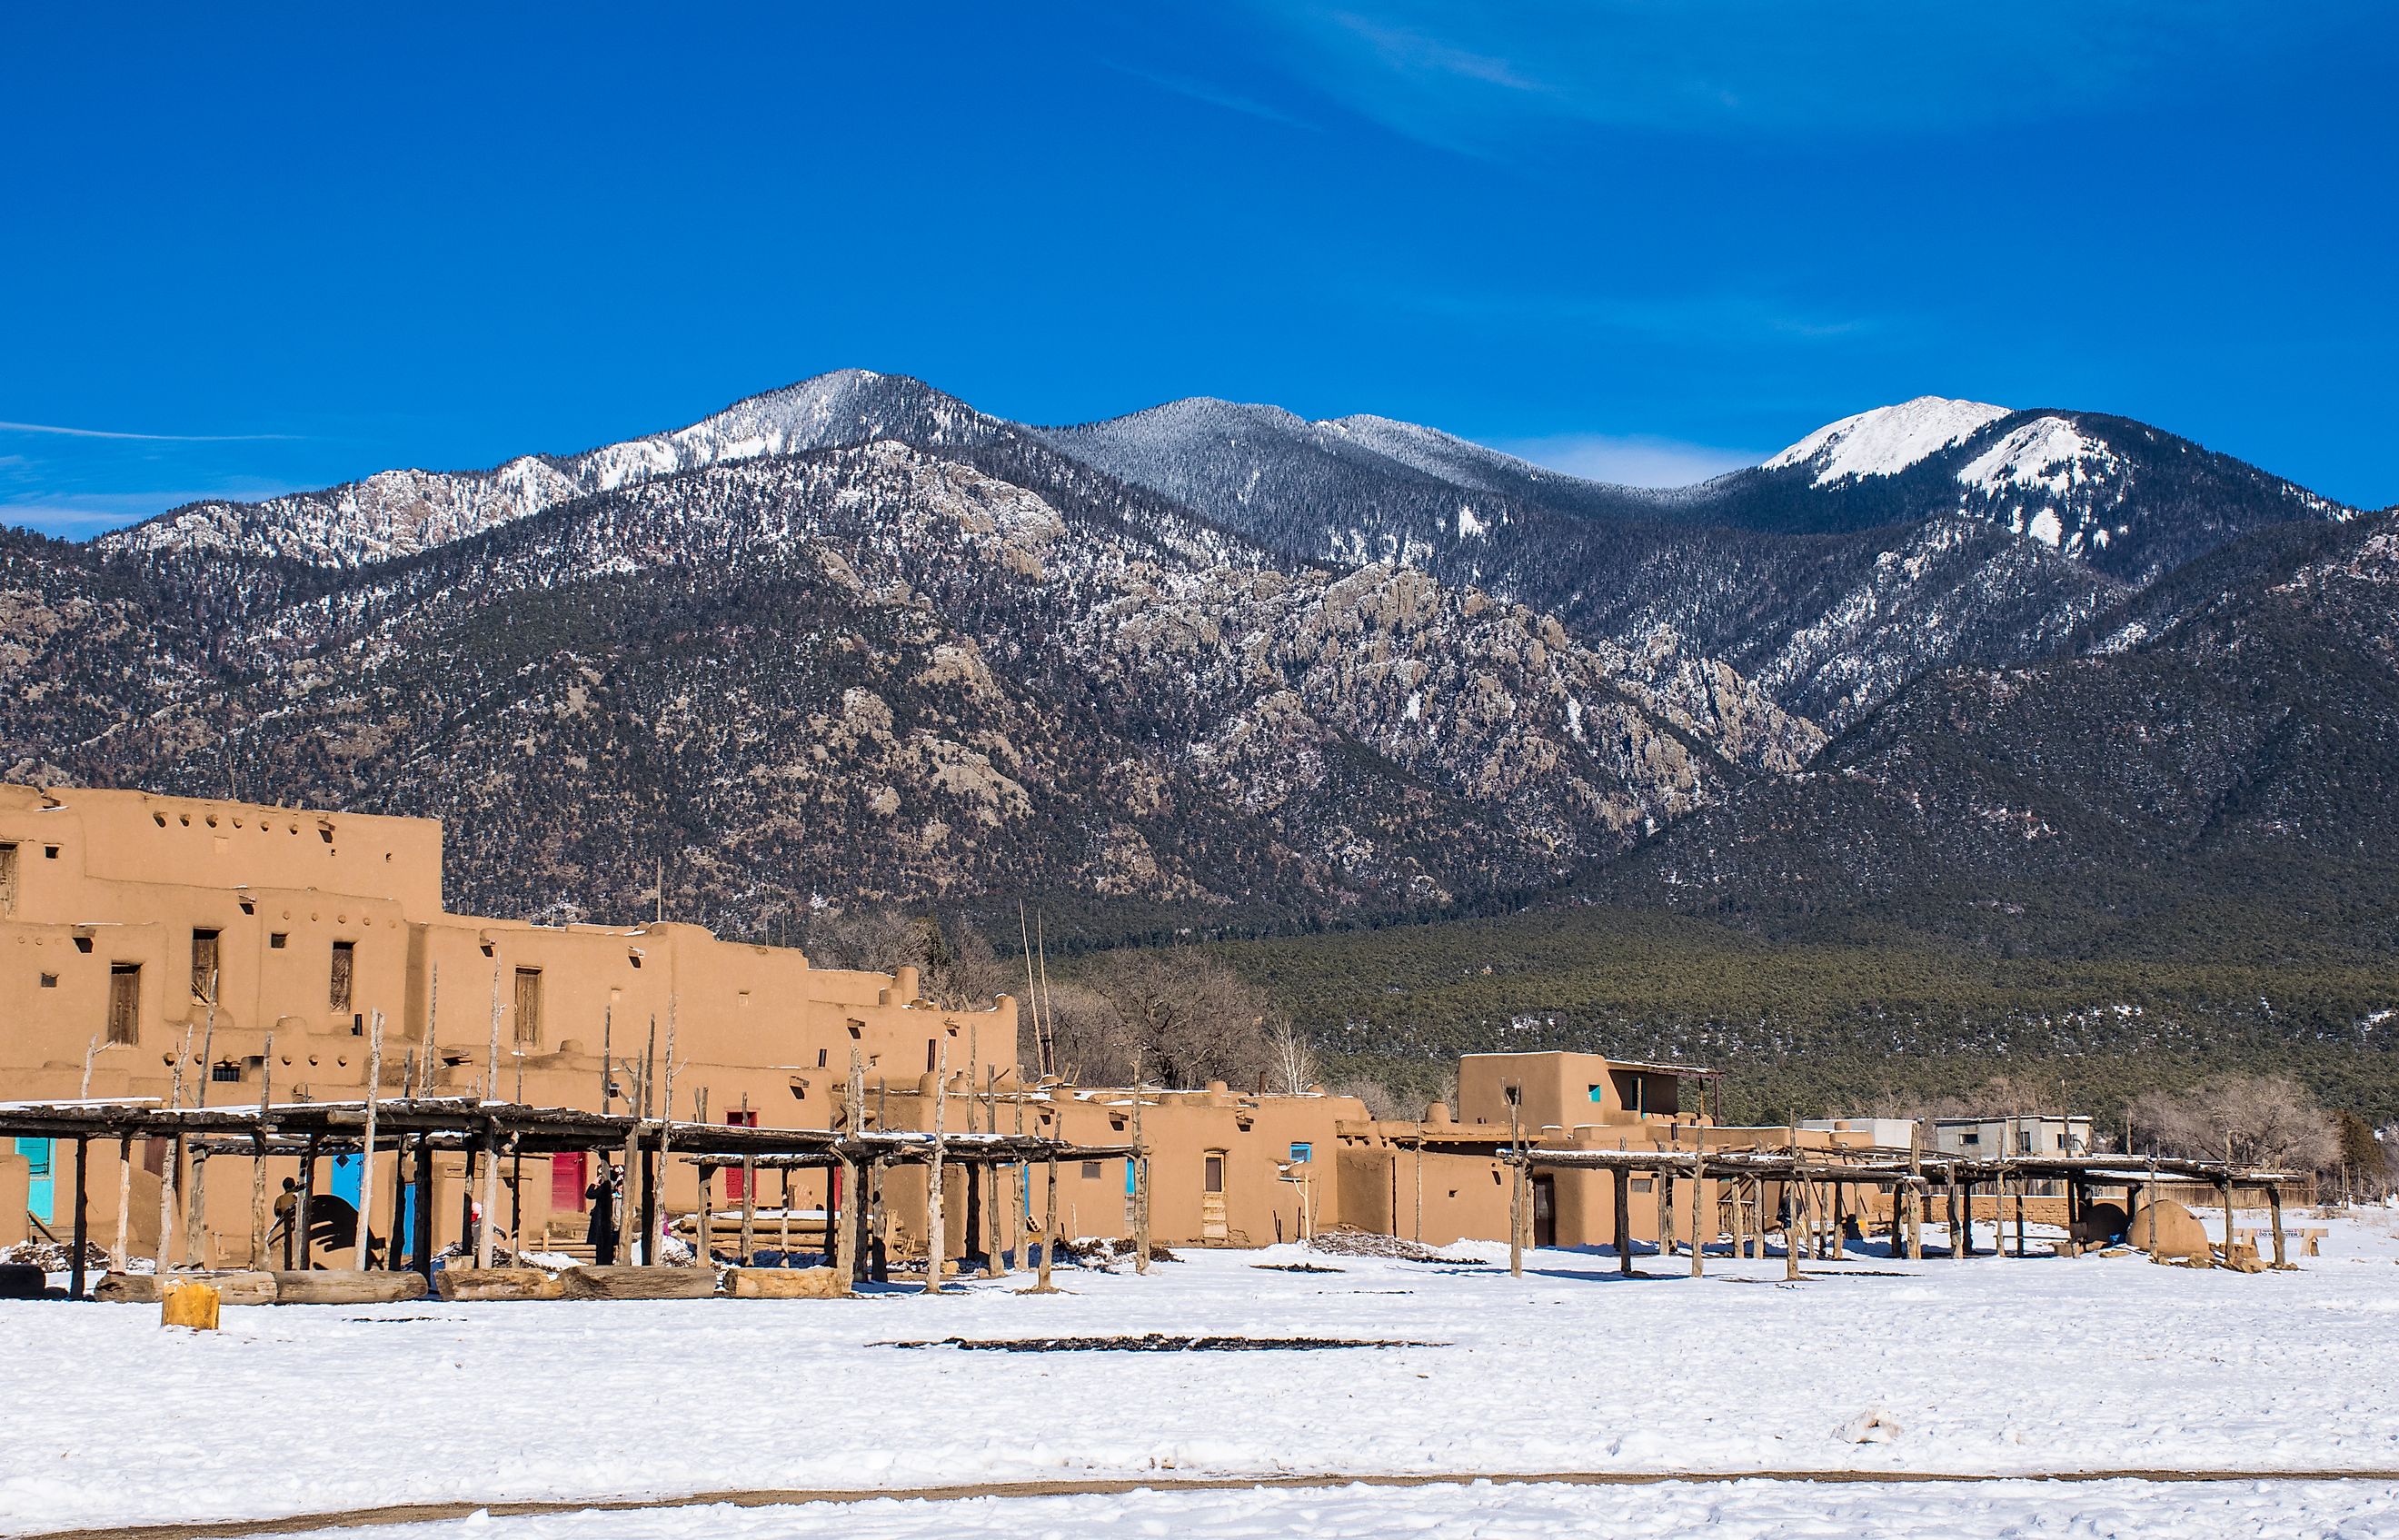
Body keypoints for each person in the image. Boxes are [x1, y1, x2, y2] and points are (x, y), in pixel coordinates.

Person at [586, 1164, 622, 1266]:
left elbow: (589, 1194)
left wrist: (594, 1184)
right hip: (610, 1222)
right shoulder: (614, 1189)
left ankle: (602, 1264)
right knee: (607, 1247)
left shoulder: (604, 1188)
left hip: (603, 1222)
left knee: (602, 1248)